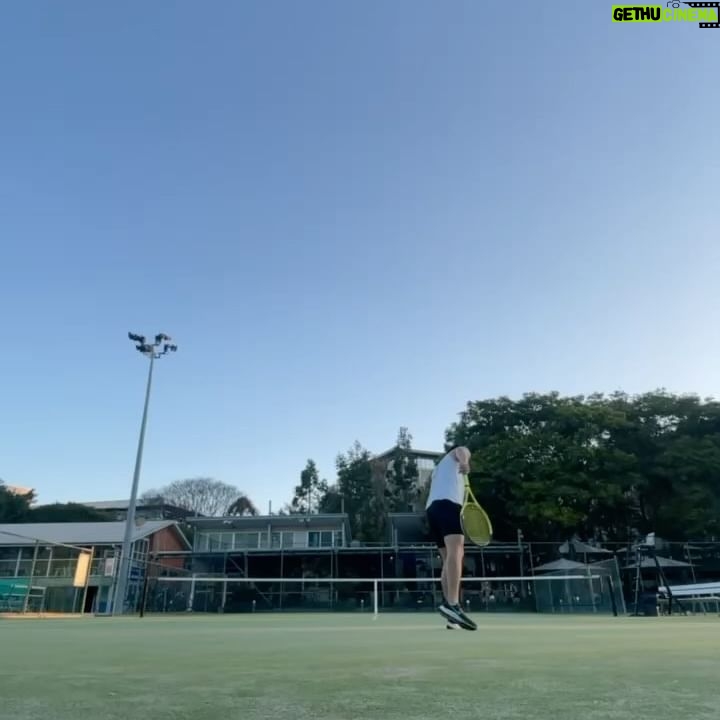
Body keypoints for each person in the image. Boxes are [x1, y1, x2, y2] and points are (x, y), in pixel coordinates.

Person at [425, 445, 477, 631]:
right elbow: (462, 450)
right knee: (457, 551)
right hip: (448, 505)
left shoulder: (438, 471)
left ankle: (452, 617)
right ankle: (453, 605)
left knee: (448, 558)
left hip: (432, 510)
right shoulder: (454, 456)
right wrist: (465, 461)